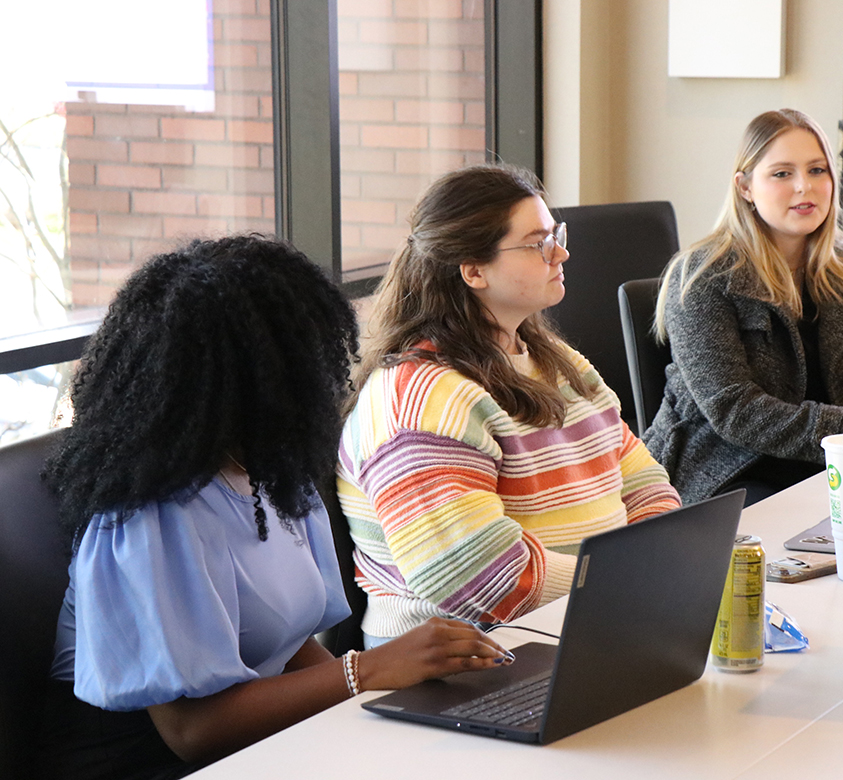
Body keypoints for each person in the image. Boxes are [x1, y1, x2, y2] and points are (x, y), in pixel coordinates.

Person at [40, 235, 511, 780]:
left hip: (253, 744)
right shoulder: (149, 518)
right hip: (144, 761)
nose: (324, 377)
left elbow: (283, 646)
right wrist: (369, 670)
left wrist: (377, 697)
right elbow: (191, 732)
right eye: (300, 360)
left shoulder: (271, 474)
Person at [338, 164, 680, 644]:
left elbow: (643, 481)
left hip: (584, 622)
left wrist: (659, 568)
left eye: (554, 234)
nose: (560, 252)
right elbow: (477, 579)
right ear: (474, 270)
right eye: (537, 242)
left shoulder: (557, 362)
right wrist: (628, 585)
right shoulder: (418, 398)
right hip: (466, 657)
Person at [643, 109, 843, 506]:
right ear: (745, 187)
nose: (804, 187)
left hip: (834, 468)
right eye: (782, 174)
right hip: (729, 472)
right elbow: (734, 410)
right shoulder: (704, 277)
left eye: (817, 170)